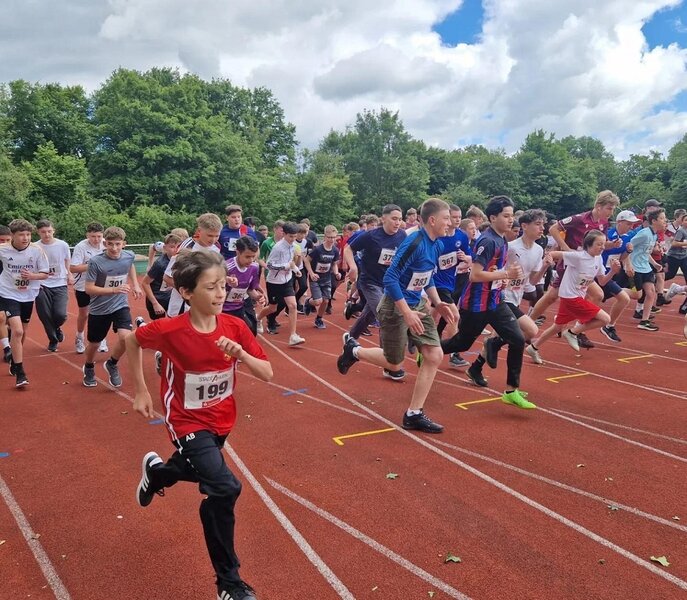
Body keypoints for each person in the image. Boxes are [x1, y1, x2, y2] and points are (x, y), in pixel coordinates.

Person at [127, 250, 272, 600]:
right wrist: (141, 390)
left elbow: (267, 373)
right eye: (211, 287)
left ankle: (158, 475)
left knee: (199, 468)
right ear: (187, 293)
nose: (221, 294)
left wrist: (240, 354)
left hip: (222, 418)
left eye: (223, 286)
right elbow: (131, 340)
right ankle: (229, 583)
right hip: (185, 419)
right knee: (224, 487)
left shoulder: (235, 327)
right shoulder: (170, 329)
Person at [337, 198, 456, 432]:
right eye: (446, 218)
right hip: (395, 305)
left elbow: (427, 276)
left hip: (417, 304)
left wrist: (437, 302)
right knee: (394, 363)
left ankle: (414, 413)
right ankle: (354, 350)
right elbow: (390, 278)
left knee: (434, 355)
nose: (450, 223)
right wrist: (406, 313)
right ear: (432, 220)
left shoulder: (437, 245)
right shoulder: (414, 242)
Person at [440, 196, 534, 409]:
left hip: (494, 301)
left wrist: (503, 279)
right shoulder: (488, 241)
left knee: (518, 339)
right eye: (506, 216)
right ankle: (429, 349)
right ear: (492, 218)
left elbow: (493, 271)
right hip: (476, 304)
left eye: (512, 215)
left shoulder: (502, 239)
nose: (511, 220)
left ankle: (511, 390)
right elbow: (474, 275)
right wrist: (506, 274)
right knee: (462, 343)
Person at [529, 190, 620, 348]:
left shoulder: (603, 223)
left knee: (597, 294)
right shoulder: (580, 219)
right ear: (599, 206)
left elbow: (600, 244)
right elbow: (553, 229)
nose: (611, 212)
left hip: (584, 267)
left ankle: (576, 328)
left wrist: (612, 245)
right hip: (572, 263)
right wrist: (566, 249)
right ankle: (529, 324)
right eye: (609, 208)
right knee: (552, 296)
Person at [527, 231, 620, 360]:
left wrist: (613, 272)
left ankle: (533, 347)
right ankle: (572, 332)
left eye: (603, 244)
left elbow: (602, 281)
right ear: (588, 244)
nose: (602, 247)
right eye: (599, 244)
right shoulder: (578, 257)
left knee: (557, 327)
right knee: (605, 319)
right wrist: (548, 259)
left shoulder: (598, 259)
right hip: (571, 298)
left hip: (575, 298)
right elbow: (553, 254)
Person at [488, 209, 553, 365]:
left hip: (516, 297)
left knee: (496, 336)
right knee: (531, 330)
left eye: (543, 225)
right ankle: (493, 346)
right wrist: (506, 275)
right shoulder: (511, 247)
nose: (542, 228)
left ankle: (477, 366)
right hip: (502, 297)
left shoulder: (538, 250)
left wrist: (545, 266)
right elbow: (494, 269)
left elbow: (533, 280)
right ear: (524, 226)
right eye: (538, 224)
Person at [82, 226, 142, 388]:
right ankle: (89, 365)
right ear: (104, 244)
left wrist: (136, 285)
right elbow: (89, 288)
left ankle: (112, 363)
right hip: (99, 308)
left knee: (126, 338)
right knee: (94, 344)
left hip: (120, 304)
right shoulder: (96, 262)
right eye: (110, 244)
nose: (114, 248)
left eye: (117, 244)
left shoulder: (129, 255)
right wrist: (114, 290)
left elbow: (129, 265)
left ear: (124, 244)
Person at [344, 205, 407, 346]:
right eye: (394, 219)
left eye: (400, 219)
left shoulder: (402, 235)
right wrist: (353, 267)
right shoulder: (371, 236)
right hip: (370, 282)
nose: (397, 222)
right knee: (384, 316)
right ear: (383, 219)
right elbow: (348, 249)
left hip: (389, 283)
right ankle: (386, 354)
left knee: (368, 314)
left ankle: (350, 339)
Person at [0, 219, 49, 387]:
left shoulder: (37, 250)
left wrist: (32, 276)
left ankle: (15, 361)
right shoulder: (3, 249)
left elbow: (45, 274)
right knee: (18, 330)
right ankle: (20, 373)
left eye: (28, 234)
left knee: (22, 332)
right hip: (8, 293)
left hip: (28, 294)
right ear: (13, 235)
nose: (26, 238)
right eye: (22, 235)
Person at [257, 222, 305, 346]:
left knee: (293, 306)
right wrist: (286, 266)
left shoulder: (293, 246)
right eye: (290, 236)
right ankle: (257, 318)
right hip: (274, 282)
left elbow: (291, 262)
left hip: (287, 280)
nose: (293, 239)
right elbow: (270, 265)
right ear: (284, 234)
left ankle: (293, 336)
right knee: (272, 308)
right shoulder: (277, 248)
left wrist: (296, 270)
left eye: (295, 236)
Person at [165, 214, 222, 318]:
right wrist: (190, 293)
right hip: (182, 304)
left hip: (204, 303)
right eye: (210, 235)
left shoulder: (216, 247)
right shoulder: (187, 247)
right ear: (199, 231)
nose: (213, 240)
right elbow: (167, 277)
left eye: (217, 236)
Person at [34, 219, 73, 352]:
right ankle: (53, 340)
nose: (47, 234)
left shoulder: (62, 245)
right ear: (38, 232)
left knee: (60, 314)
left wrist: (69, 273)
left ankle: (56, 327)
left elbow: (67, 260)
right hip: (41, 284)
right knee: (44, 314)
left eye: (49, 231)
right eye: (43, 232)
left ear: (53, 231)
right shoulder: (35, 247)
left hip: (59, 282)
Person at [626, 208, 667, 331]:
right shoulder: (644, 234)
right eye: (662, 218)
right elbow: (628, 246)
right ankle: (615, 292)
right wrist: (628, 264)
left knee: (651, 293)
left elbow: (646, 252)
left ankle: (644, 321)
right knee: (636, 294)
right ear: (654, 221)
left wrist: (654, 264)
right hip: (635, 268)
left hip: (645, 268)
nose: (665, 221)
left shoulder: (654, 235)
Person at [70, 222, 106, 354]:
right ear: (87, 235)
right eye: (93, 236)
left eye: (99, 236)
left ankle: (101, 338)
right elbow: (73, 268)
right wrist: (94, 265)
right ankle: (79, 336)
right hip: (83, 285)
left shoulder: (106, 244)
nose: (96, 239)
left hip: (101, 284)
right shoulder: (81, 247)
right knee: (84, 314)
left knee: (101, 312)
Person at [223, 236, 265, 335]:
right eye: (247, 257)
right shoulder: (227, 267)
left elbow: (250, 289)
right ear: (238, 252)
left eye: (253, 256)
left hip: (239, 307)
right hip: (223, 309)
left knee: (251, 330)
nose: (251, 260)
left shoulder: (254, 267)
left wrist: (258, 297)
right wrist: (226, 280)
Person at [303, 225, 341, 329]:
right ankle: (308, 302)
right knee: (317, 301)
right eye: (329, 237)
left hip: (327, 278)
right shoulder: (318, 249)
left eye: (333, 237)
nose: (331, 240)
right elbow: (307, 260)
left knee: (326, 301)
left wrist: (336, 273)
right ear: (325, 237)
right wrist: (311, 273)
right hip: (315, 278)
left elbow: (334, 264)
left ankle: (319, 318)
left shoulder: (335, 250)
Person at [141, 233, 182, 321]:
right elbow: (145, 283)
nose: (176, 249)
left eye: (178, 247)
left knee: (174, 321)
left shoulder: (180, 260)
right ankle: (141, 323)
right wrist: (155, 303)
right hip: (157, 299)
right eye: (172, 247)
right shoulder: (160, 264)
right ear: (165, 248)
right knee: (158, 324)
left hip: (170, 297)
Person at [0, 225, 12, 363]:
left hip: (11, 290)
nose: (4, 243)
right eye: (1, 240)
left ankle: (6, 333)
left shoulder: (16, 253)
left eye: (7, 240)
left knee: (9, 322)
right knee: (1, 317)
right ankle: (7, 349)